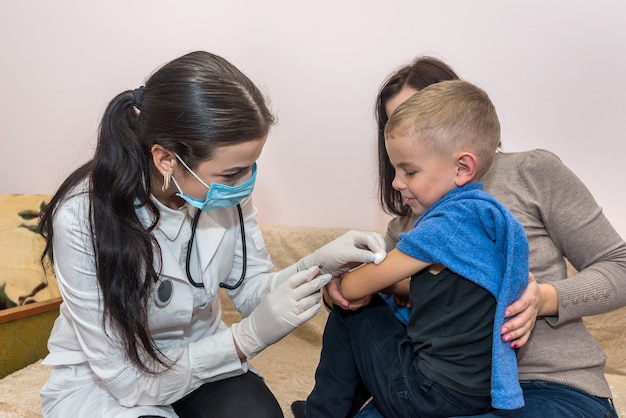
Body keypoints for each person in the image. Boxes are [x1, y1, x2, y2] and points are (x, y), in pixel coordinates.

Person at [37, 50, 386, 418]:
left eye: (252, 167)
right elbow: (127, 379)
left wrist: (319, 265)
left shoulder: (221, 194)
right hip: (108, 382)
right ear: (167, 159)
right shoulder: (81, 218)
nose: (245, 184)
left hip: (199, 354)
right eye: (233, 173)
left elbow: (253, 293)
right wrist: (244, 339)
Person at [296, 56, 626, 417]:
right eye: (399, 122)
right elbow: (368, 310)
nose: (416, 126)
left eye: (428, 113)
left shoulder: (532, 171)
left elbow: (620, 266)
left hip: (551, 386)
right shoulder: (404, 225)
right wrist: (341, 294)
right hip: (444, 387)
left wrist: (542, 299)